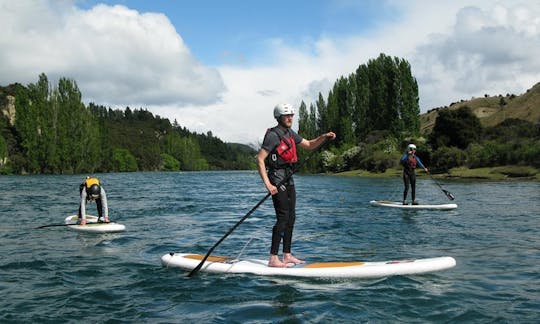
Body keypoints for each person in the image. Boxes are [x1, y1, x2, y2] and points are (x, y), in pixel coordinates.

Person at [256, 103, 336, 268]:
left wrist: (324, 137)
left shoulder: (290, 133)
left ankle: (287, 255)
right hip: (277, 179)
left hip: (289, 178)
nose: (290, 118)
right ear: (279, 117)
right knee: (283, 217)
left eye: (292, 115)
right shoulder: (273, 135)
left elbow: (309, 145)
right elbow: (260, 159)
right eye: (287, 115)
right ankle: (273, 258)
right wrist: (268, 184)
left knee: (291, 217)